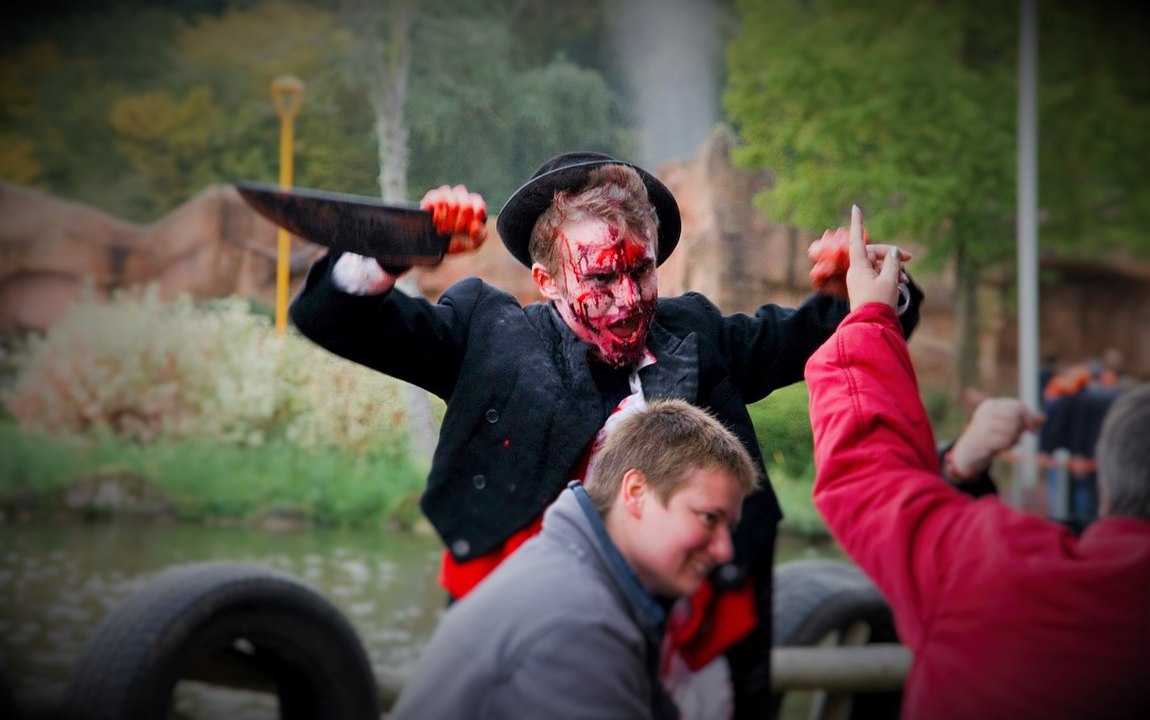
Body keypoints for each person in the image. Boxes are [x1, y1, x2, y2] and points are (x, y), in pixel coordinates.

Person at [289, 152, 923, 717]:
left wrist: (864, 282)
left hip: (701, 658)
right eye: (599, 277)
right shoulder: (490, 336)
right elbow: (334, 316)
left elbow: (845, 331)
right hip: (536, 649)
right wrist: (396, 243)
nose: (626, 300)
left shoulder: (698, 335)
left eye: (641, 271)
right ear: (547, 281)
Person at [804, 205, 1150, 719]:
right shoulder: (1077, 388)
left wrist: (871, 315)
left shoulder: (991, 574)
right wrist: (962, 468)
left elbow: (870, 472)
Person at [390, 398, 760, 719]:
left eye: (730, 526)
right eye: (709, 518)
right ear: (635, 492)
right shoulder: (582, 623)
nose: (725, 550)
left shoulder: (567, 567)